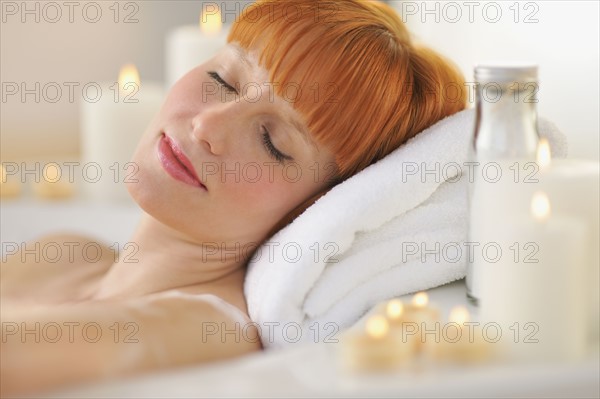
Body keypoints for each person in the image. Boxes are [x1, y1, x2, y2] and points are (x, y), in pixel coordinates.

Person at [0, 0, 466, 395]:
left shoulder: (204, 327)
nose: (207, 127)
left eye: (273, 142)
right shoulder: (63, 252)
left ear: (316, 208)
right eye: (224, 79)